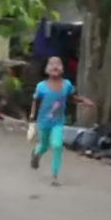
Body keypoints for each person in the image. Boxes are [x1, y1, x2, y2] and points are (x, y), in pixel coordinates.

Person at [29, 56, 94, 186]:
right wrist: (32, 116)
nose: (55, 66)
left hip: (58, 122)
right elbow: (36, 102)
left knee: (57, 145)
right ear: (46, 69)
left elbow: (72, 98)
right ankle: (36, 154)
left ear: (62, 68)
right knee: (43, 146)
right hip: (43, 122)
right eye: (52, 64)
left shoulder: (67, 85)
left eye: (58, 64)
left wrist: (83, 101)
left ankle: (55, 176)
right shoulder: (41, 86)